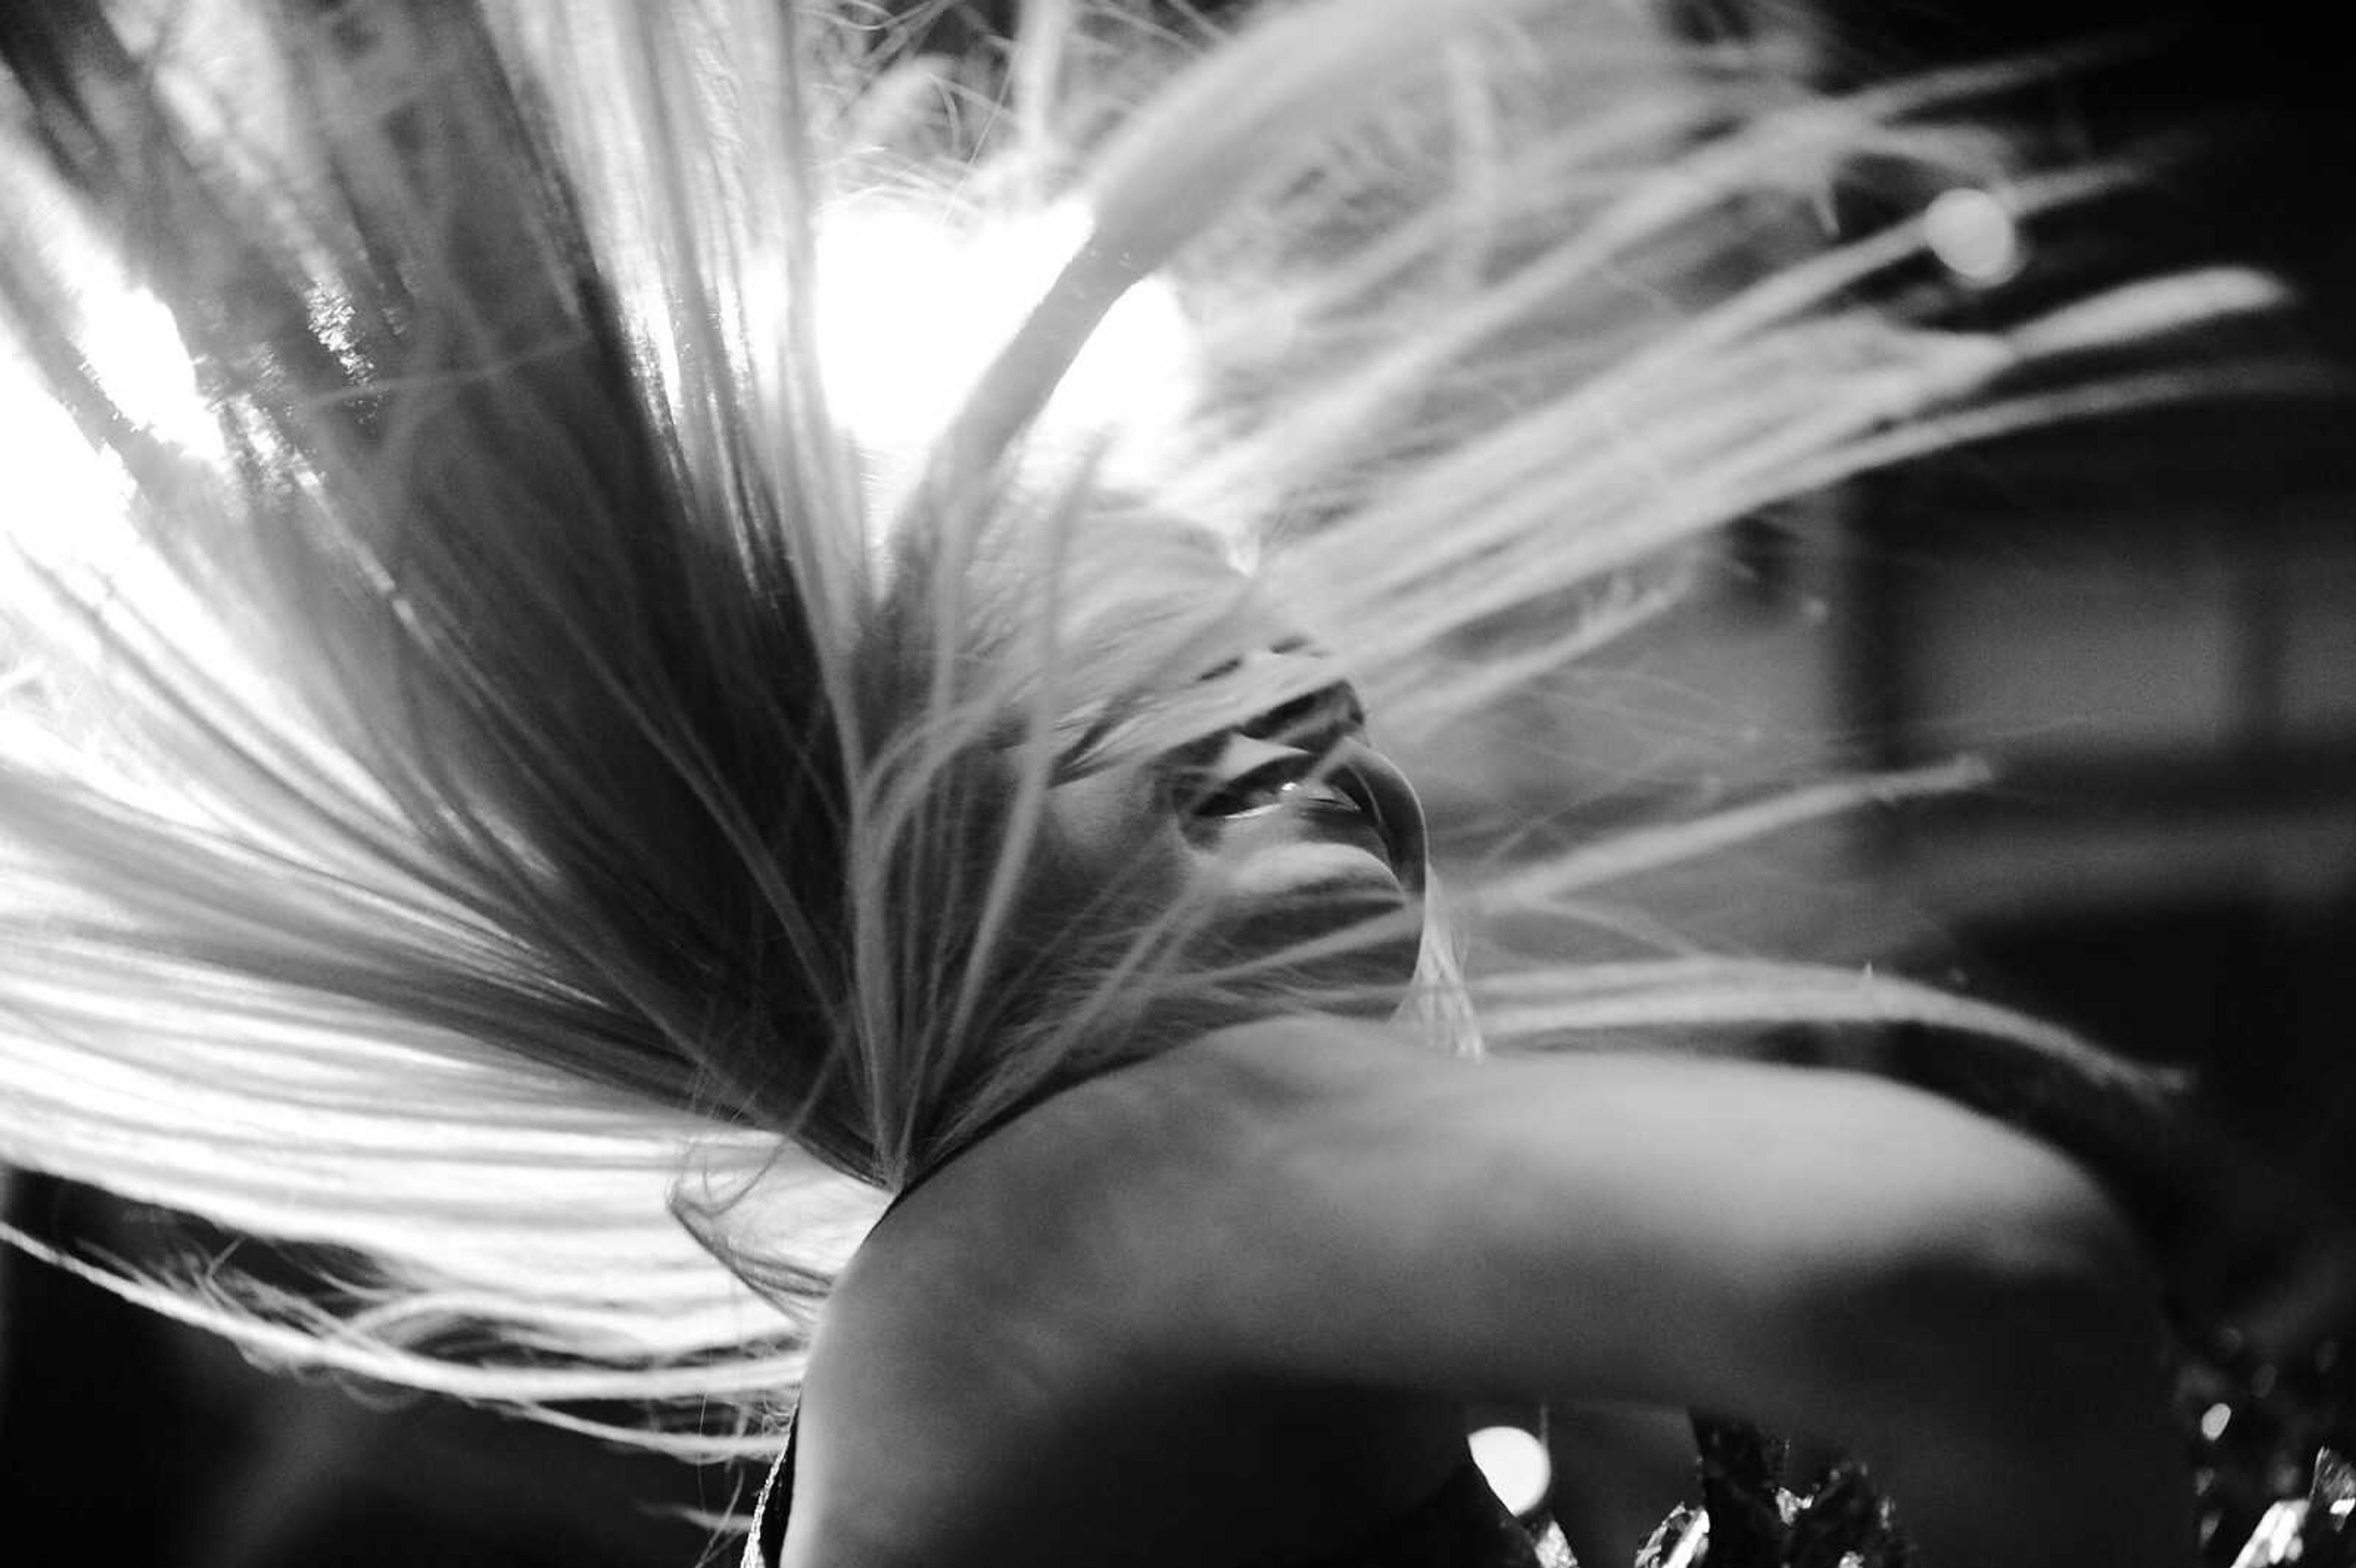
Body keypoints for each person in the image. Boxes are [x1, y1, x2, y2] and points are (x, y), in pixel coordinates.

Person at [0, 1, 2306, 1562]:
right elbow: (1969, 1273)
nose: (1314, 706)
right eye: (1186, 706)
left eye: (1311, 692)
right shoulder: (1059, 1207)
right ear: (884, 835)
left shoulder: (1008, 1300)